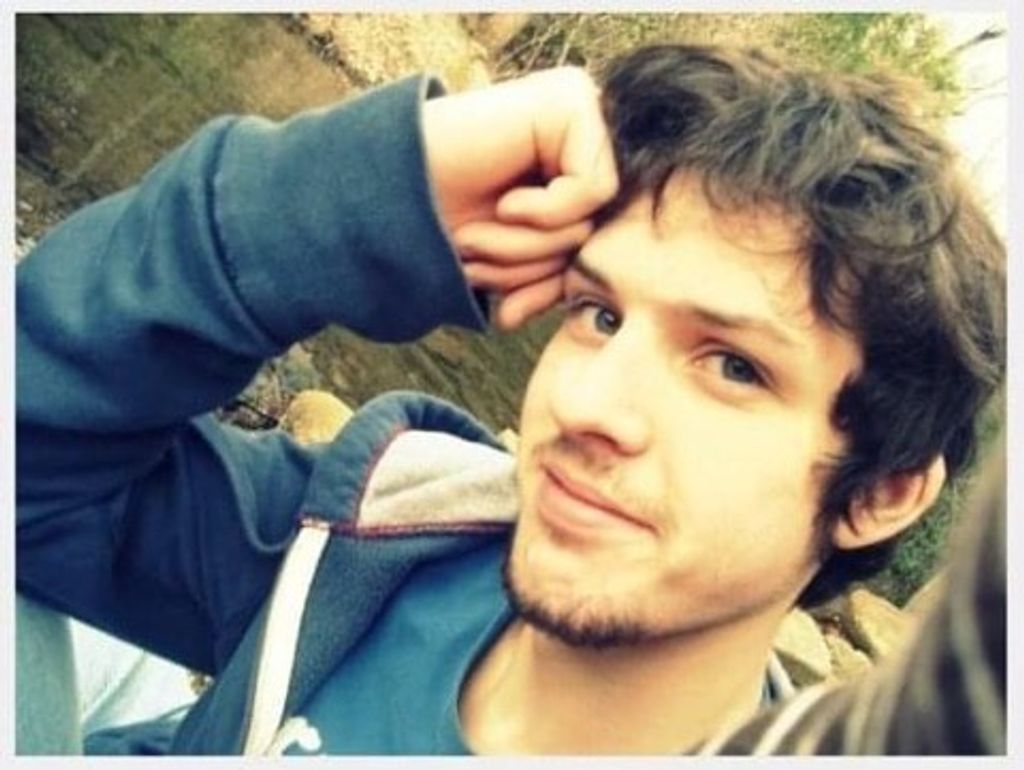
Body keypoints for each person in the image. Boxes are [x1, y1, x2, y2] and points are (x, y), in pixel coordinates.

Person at [15, 43, 1004, 755]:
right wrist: (361, 195)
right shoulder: (373, 542)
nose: (588, 406)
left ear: (883, 491)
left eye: (732, 366)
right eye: (599, 314)